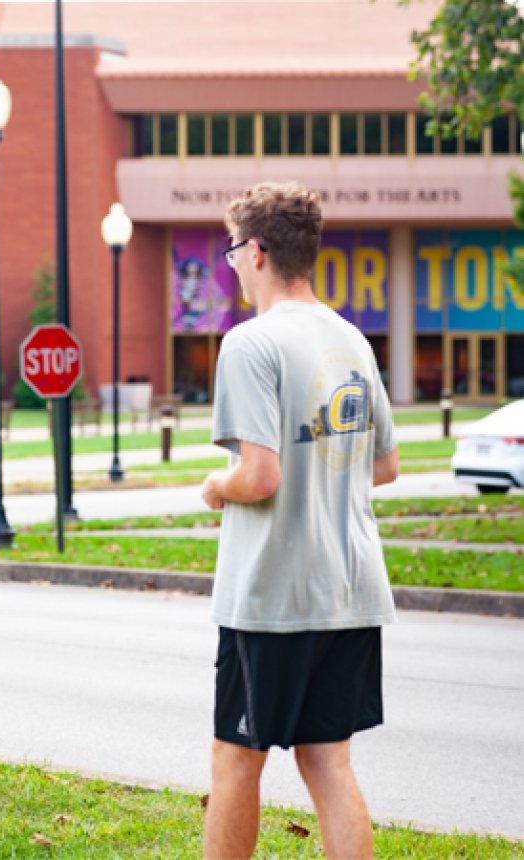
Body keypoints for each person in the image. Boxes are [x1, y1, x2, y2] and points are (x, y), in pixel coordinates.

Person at [199, 181, 399, 860]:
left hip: (271, 597)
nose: (233, 267)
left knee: (235, 762)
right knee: (329, 763)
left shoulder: (250, 346)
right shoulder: (353, 341)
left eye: (232, 254)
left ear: (256, 251)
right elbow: (384, 466)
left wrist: (216, 487)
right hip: (348, 591)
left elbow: (258, 476)